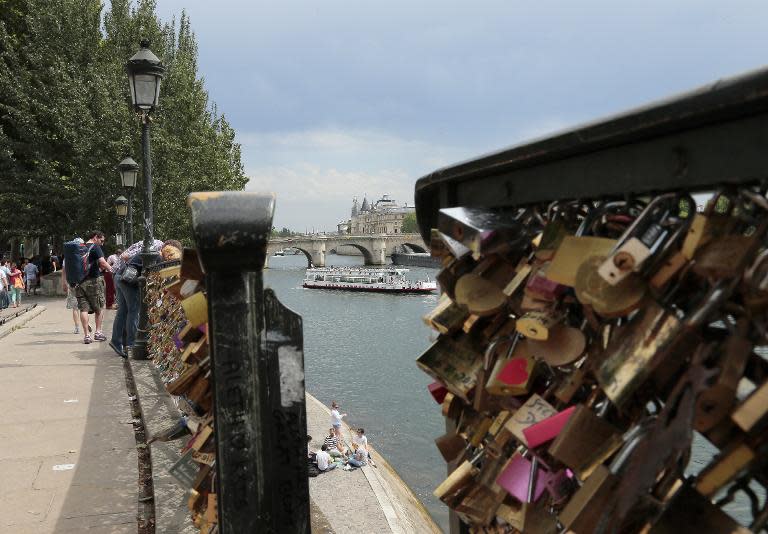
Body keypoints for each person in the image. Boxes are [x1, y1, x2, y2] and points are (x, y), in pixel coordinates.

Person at [109, 238, 164, 358]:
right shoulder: (158, 255)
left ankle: (117, 342)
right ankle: (131, 343)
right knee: (134, 311)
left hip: (120, 276)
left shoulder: (153, 246)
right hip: (128, 281)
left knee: (123, 311)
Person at [76, 230, 111, 344]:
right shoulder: (95, 247)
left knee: (83, 309)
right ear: (96, 237)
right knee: (99, 307)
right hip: (93, 281)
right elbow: (102, 263)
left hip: (79, 282)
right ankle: (98, 332)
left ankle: (86, 336)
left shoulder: (79, 247)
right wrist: (113, 270)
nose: (102, 243)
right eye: (101, 240)